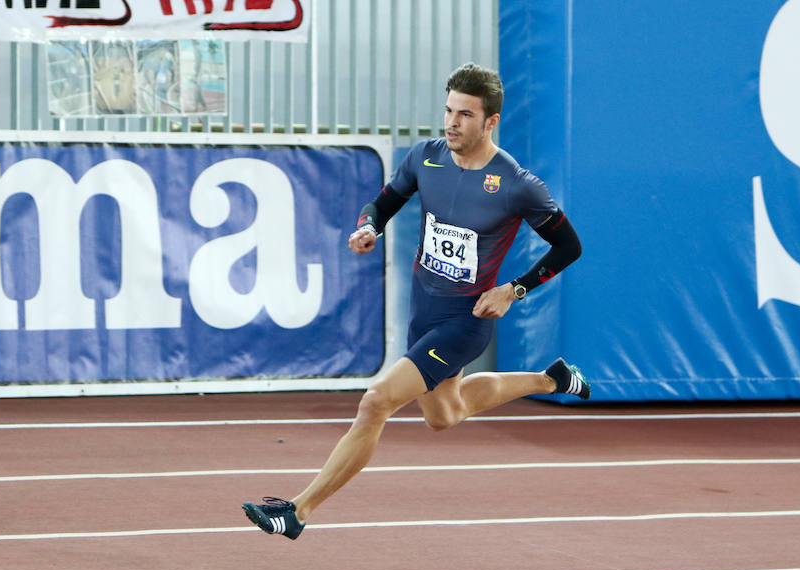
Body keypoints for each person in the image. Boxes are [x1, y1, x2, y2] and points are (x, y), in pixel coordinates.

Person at [242, 63, 590, 540]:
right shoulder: (425, 157)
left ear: (491, 121)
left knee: (376, 402)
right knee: (444, 415)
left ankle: (298, 511)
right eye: (448, 111)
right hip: (423, 309)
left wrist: (513, 289)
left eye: (465, 115)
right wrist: (369, 227)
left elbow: (569, 246)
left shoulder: (517, 184)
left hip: (465, 320)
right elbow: (383, 203)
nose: (452, 123)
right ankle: (552, 380)